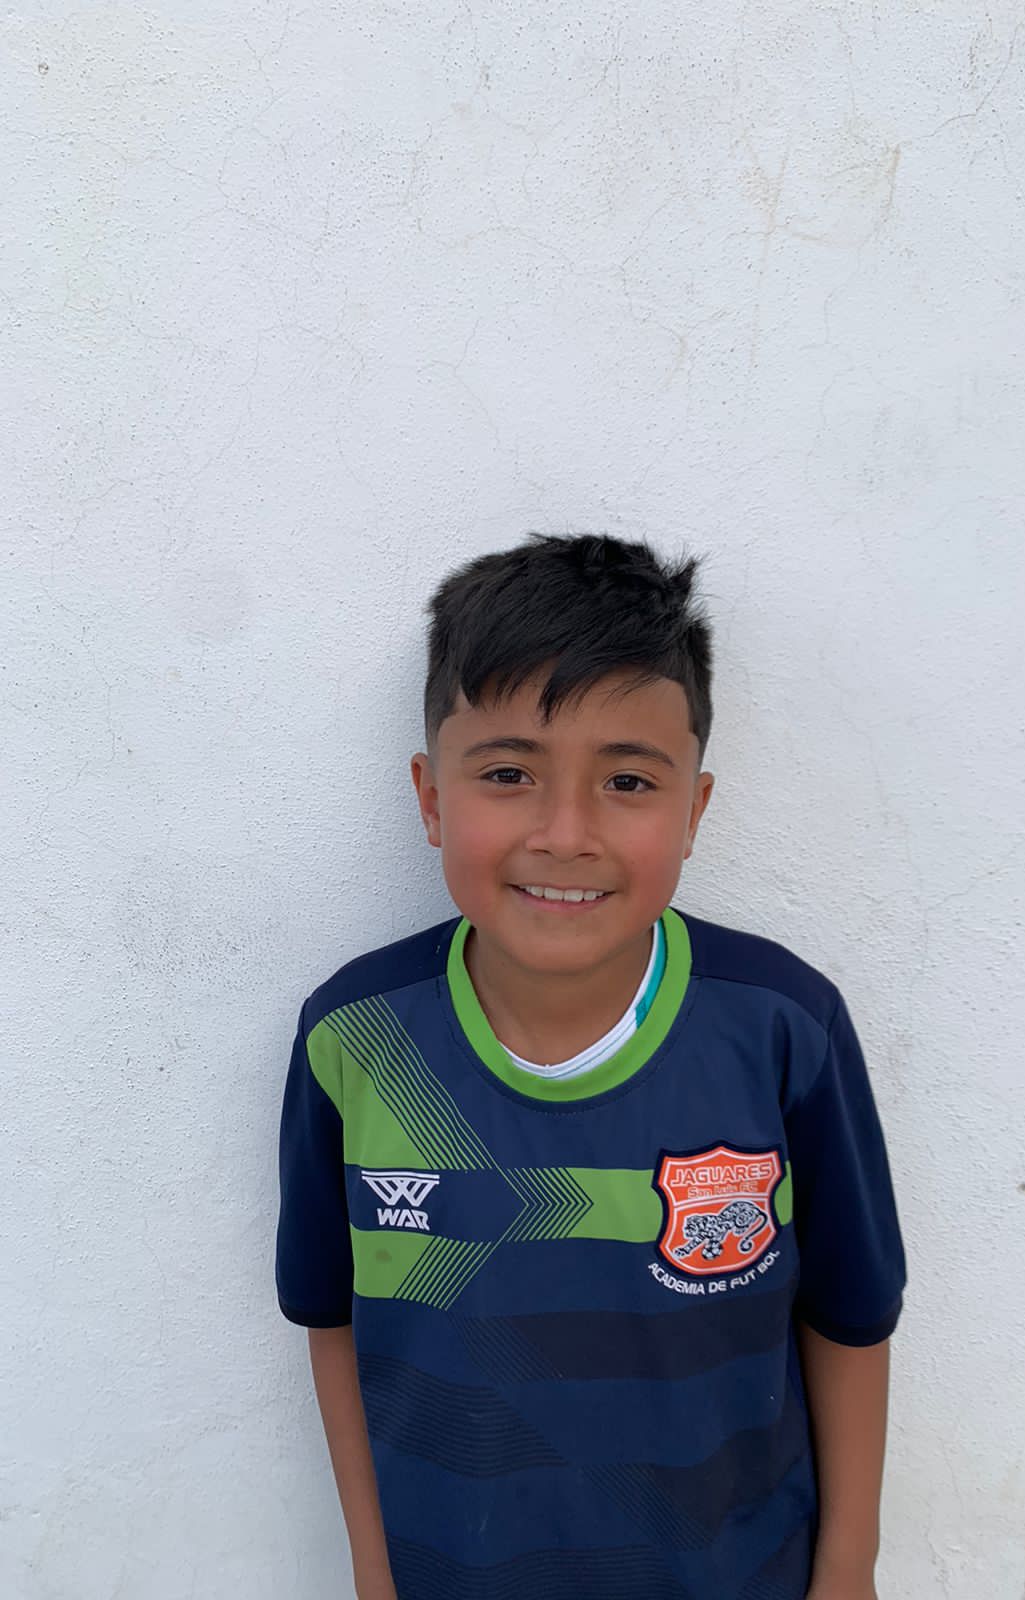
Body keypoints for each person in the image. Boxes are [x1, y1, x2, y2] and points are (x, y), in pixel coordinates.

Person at [275, 532, 907, 1600]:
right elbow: (332, 1321)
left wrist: (849, 1567)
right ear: (431, 798)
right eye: (508, 773)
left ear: (693, 810)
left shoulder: (781, 1029)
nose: (566, 833)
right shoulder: (356, 1040)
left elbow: (851, 1315)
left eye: (626, 779)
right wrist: (375, 1574)